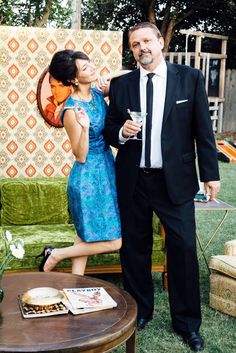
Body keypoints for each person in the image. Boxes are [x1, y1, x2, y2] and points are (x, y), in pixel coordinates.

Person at [104, 22, 220, 351]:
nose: (142, 48)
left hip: (176, 181)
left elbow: (203, 130)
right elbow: (110, 128)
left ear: (160, 42)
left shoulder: (189, 78)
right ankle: (140, 310)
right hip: (134, 179)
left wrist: (210, 173)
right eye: (135, 44)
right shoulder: (122, 85)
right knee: (134, 249)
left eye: (146, 41)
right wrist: (122, 132)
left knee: (183, 250)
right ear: (132, 49)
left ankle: (187, 323)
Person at [38, 49, 124, 275]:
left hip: (106, 169)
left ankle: (75, 285)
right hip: (88, 178)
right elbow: (81, 155)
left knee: (83, 237)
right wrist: (85, 127)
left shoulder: (96, 94)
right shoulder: (70, 110)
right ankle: (55, 254)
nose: (93, 68)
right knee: (115, 242)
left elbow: (130, 74)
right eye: (86, 68)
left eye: (90, 63)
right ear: (74, 79)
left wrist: (111, 75)